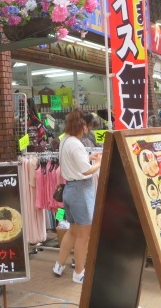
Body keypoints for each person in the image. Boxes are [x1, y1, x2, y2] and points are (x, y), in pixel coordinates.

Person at [53, 108, 102, 284]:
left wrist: (88, 157)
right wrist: (98, 162)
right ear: (83, 125)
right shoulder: (76, 143)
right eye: (89, 127)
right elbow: (85, 170)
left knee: (73, 231)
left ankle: (59, 265)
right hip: (81, 192)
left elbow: (73, 161)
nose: (88, 130)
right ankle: (79, 273)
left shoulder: (65, 140)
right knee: (83, 236)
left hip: (69, 190)